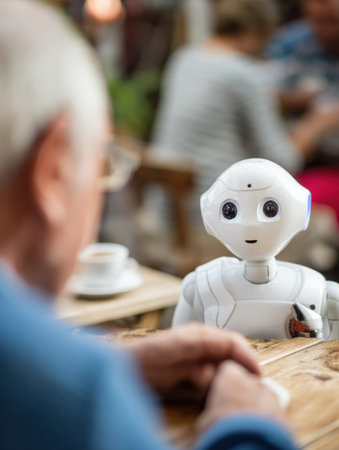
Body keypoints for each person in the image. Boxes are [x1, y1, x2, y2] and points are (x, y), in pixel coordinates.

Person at [0, 2, 298, 449]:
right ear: (54, 169)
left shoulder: (186, 58)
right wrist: (246, 426)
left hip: (167, 217)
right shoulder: (80, 398)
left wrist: (115, 358)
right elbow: (288, 158)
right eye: (102, 163)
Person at [150, 0, 339, 225]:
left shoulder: (184, 58)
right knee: (320, 222)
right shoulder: (245, 75)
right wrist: (318, 121)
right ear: (255, 33)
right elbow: (282, 163)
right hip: (216, 221)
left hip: (164, 215)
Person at [267, 0, 339, 115]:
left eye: (334, 21)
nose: (329, 30)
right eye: (320, 21)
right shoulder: (289, 44)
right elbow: (266, 93)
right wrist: (296, 100)